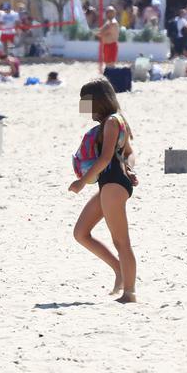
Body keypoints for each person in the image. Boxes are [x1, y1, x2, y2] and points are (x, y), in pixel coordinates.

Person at [70, 78, 138, 304]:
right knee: (81, 232)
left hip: (113, 183)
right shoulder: (118, 120)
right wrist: (129, 167)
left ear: (97, 100)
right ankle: (119, 270)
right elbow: (130, 152)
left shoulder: (111, 123)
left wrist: (81, 183)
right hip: (111, 183)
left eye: (85, 101)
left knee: (121, 241)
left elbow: (105, 158)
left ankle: (129, 293)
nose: (83, 106)